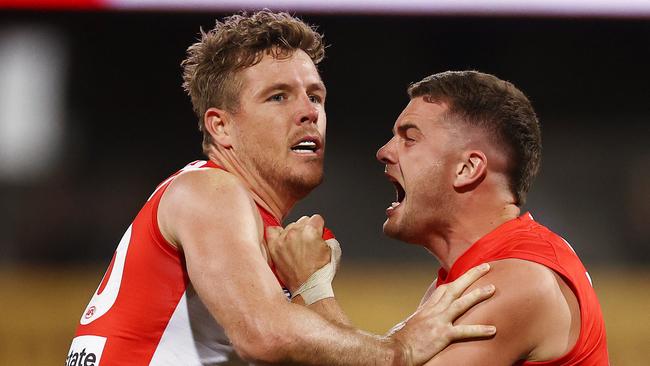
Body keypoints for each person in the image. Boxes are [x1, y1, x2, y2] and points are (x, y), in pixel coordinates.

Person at [66, 12, 498, 366]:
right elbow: (264, 334)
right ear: (222, 126)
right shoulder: (209, 190)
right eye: (278, 97)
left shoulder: (262, 235)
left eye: (316, 96)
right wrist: (399, 349)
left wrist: (313, 289)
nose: (308, 112)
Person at [268, 70, 609, 365]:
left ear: (467, 168)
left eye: (409, 138)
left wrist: (310, 286)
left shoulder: (515, 280)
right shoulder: (477, 274)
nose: (384, 151)